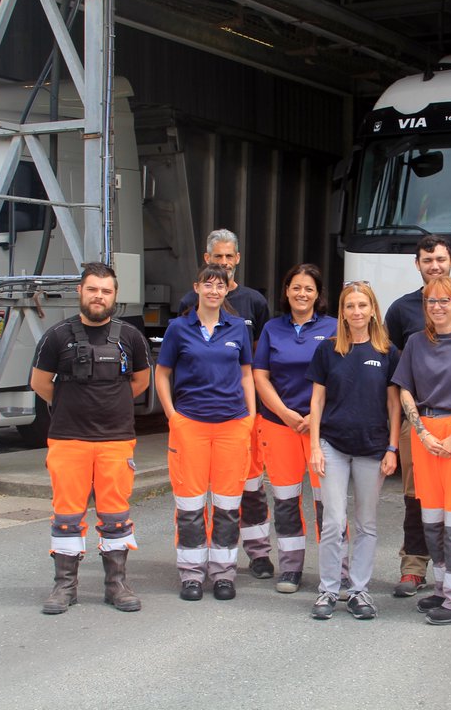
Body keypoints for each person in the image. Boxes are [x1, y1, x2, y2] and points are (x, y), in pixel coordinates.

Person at [30, 262, 152, 615]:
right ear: (80, 292)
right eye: (92, 289)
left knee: (115, 515)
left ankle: (117, 585)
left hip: (116, 440)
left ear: (115, 296)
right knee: (67, 515)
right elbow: (40, 384)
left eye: (106, 291)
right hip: (68, 439)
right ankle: (64, 587)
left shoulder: (130, 337)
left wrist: (108, 404)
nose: (99, 296)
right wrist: (73, 404)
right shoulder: (55, 337)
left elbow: (141, 382)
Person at [383, 234, 451, 598]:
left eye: (440, 259)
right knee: (420, 500)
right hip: (417, 425)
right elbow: (397, 379)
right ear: (417, 264)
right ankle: (415, 567)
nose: (434, 265)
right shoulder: (402, 311)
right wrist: (408, 430)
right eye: (427, 260)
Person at [155, 264, 256, 602]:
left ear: (228, 290)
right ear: (196, 287)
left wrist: (250, 418)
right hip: (191, 426)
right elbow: (162, 373)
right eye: (208, 284)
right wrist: (173, 417)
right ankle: (192, 574)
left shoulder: (238, 328)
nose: (214, 291)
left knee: (228, 504)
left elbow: (246, 375)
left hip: (232, 425)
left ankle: (224, 573)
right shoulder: (178, 329)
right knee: (190, 504)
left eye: (220, 285)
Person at [177, 229, 274, 580]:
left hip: (242, 415)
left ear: (238, 259)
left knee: (250, 486)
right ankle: (199, 557)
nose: (223, 264)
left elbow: (260, 361)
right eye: (217, 258)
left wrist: (252, 412)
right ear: (207, 260)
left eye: (229, 257)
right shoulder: (189, 300)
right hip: (199, 416)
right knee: (198, 490)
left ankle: (259, 554)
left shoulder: (255, 302)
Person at [306, 280, 400, 620]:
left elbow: (394, 406)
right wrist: (314, 445)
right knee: (332, 521)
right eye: (350, 306)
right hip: (332, 444)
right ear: (342, 313)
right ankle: (329, 590)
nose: (356, 312)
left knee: (366, 523)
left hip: (372, 447)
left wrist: (393, 447)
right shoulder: (328, 350)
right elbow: (316, 401)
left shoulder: (388, 352)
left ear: (373, 309)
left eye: (362, 305)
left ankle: (359, 590)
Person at [252, 264, 337, 593]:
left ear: (318, 295)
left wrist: (313, 417)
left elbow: (339, 374)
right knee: (285, 499)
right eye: (296, 287)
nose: (302, 294)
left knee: (327, 501)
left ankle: (336, 569)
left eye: (309, 289)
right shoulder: (273, 329)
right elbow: (261, 376)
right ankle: (290, 568)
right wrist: (286, 413)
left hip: (323, 428)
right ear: (286, 291)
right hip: (279, 424)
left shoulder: (333, 327)